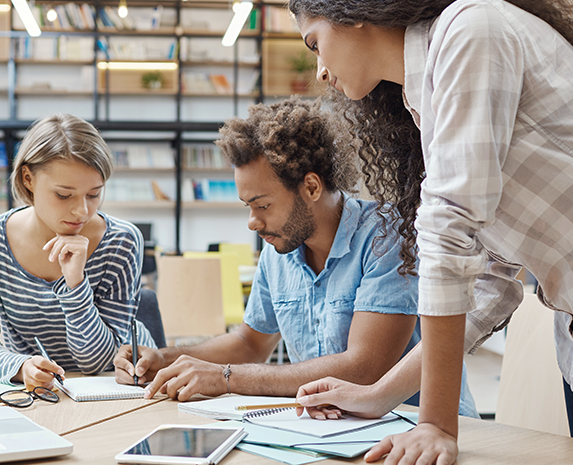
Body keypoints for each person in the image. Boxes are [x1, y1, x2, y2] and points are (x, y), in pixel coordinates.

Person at [287, 0, 573, 462]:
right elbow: (487, 282)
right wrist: (380, 393)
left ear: (351, 11)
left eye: (315, 43)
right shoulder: (427, 99)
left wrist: (437, 423)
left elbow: (448, 229)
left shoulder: (470, 30)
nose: (320, 70)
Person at [112, 98, 478, 418]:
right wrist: (166, 359)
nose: (253, 222)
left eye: (263, 205)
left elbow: (364, 368)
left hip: (414, 425)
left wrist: (225, 377)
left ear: (312, 187)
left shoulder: (385, 235)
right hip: (332, 428)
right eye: (248, 207)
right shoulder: (280, 248)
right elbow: (250, 343)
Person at [0, 114, 156, 390]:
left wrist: (75, 283)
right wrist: (19, 366)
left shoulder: (121, 242)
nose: (82, 211)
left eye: (94, 194)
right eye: (64, 195)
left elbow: (97, 362)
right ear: (28, 178)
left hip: (112, 389)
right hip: (40, 390)